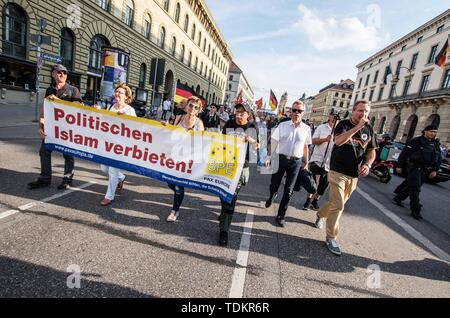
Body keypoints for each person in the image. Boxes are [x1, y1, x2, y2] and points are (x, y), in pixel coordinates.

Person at [315, 100, 377, 256]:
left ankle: (320, 214)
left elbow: (371, 151)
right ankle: (331, 238)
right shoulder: (344, 124)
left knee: (336, 202)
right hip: (337, 171)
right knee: (339, 205)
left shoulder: (369, 129)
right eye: (360, 110)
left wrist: (368, 164)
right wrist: (357, 127)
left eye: (366, 112)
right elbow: (338, 141)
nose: (364, 114)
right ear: (353, 110)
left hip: (353, 175)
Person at [27, 64, 82, 190]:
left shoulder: (73, 90)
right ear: (53, 74)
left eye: (64, 72)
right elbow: (44, 110)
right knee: (44, 151)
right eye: (59, 72)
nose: (62, 74)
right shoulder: (49, 90)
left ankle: (67, 179)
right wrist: (40, 127)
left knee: (68, 154)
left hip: (67, 130)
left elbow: (77, 107)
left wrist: (57, 100)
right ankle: (44, 179)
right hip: (51, 129)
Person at [264, 101, 311, 227]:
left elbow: (305, 146)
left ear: (303, 113)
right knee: (274, 184)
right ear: (291, 111)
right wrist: (268, 156)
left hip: (296, 162)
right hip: (280, 159)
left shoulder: (306, 129)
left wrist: (306, 163)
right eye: (294, 110)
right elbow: (273, 142)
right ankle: (272, 194)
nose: (296, 113)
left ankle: (281, 215)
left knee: (289, 190)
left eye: (299, 111)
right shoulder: (282, 126)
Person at [218, 103, 259, 246]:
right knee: (223, 192)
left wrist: (251, 141)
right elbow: (221, 140)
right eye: (237, 112)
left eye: (242, 112)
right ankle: (224, 215)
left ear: (248, 114)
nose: (239, 114)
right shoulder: (229, 123)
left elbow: (258, 146)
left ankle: (224, 230)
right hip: (226, 163)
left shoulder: (252, 127)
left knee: (231, 197)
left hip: (242, 166)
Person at [166, 96, 205, 221]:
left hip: (187, 158)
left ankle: (174, 211)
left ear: (198, 110)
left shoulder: (199, 124)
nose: (192, 108)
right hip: (174, 155)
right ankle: (179, 194)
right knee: (170, 181)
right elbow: (169, 132)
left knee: (178, 184)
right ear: (186, 106)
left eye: (196, 107)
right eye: (191, 105)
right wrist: (164, 127)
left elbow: (202, 142)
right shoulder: (179, 118)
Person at [393, 125, 441, 220]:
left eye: (435, 132)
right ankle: (415, 210)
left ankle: (399, 197)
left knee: (414, 186)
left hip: (426, 169)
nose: (433, 134)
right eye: (431, 131)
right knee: (415, 189)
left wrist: (435, 170)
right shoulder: (416, 141)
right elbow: (404, 153)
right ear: (425, 131)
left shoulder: (435, 143)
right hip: (414, 167)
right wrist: (399, 166)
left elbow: (438, 158)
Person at [99, 84, 137, 206]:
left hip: (120, 145)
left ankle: (109, 196)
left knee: (112, 170)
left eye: (120, 92)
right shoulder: (111, 106)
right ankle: (121, 178)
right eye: (116, 92)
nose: (117, 94)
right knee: (104, 168)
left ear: (126, 97)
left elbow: (136, 130)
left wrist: (125, 120)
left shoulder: (130, 110)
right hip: (109, 143)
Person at [303, 113, 337, 210]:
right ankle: (308, 200)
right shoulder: (321, 128)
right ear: (329, 117)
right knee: (313, 183)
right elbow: (313, 141)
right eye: (333, 116)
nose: (334, 118)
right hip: (317, 160)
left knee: (323, 185)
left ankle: (315, 201)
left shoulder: (339, 131)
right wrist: (325, 139)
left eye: (336, 117)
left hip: (330, 163)